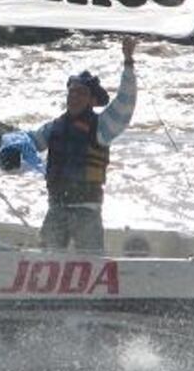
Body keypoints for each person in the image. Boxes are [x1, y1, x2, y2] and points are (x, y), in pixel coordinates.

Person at [27, 37, 138, 252]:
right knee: (47, 259)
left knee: (91, 261)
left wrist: (128, 62)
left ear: (93, 100)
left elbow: (126, 101)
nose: (75, 97)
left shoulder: (103, 126)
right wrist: (8, 144)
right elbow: (29, 144)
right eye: (72, 92)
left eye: (81, 93)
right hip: (56, 208)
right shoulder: (54, 127)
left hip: (87, 211)